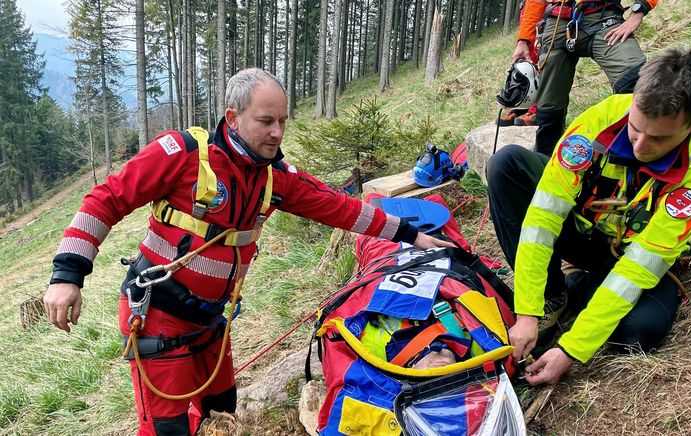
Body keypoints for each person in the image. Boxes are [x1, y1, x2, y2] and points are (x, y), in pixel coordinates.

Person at [43, 68, 453, 435]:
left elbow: (340, 208)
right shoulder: (182, 154)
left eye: (282, 122)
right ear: (233, 118)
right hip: (158, 318)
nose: (277, 132)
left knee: (221, 413)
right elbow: (105, 200)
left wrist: (409, 235)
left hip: (210, 322)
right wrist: (67, 275)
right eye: (266, 121)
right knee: (167, 428)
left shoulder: (275, 177)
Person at [487, 48, 691, 386]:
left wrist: (572, 349)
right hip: (582, 231)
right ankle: (554, 295)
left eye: (659, 138)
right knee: (506, 164)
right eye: (635, 128)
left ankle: (586, 288)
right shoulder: (599, 121)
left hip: (633, 251)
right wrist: (528, 308)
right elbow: (544, 219)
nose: (641, 146)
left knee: (639, 333)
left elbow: (641, 264)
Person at [512, 0, 658, 156]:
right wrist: (524, 40)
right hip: (558, 20)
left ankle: (641, 151)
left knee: (636, 81)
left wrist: (638, 11)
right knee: (548, 107)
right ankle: (544, 161)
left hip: (603, 16)